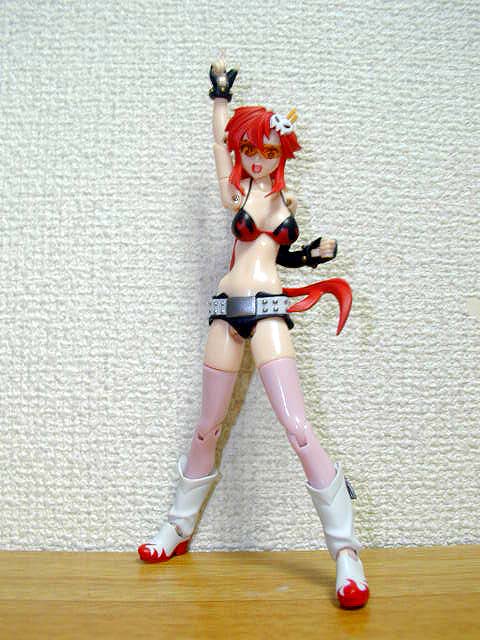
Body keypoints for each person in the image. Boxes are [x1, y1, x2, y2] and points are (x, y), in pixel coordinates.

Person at [138, 59, 369, 609]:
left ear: (281, 152)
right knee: (207, 425)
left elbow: (276, 254)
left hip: (267, 310)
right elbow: (219, 148)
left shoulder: (286, 203)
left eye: (267, 150)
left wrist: (310, 255)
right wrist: (220, 96)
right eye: (250, 150)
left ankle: (346, 551)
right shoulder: (236, 193)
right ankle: (178, 525)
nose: (256, 159)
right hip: (227, 309)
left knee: (298, 427)